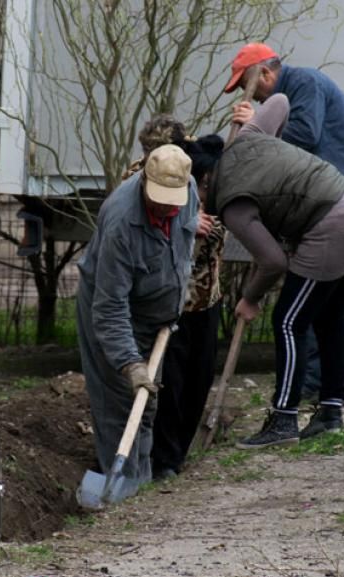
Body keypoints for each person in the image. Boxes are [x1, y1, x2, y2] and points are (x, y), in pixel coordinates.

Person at [224, 42, 344, 437]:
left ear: (265, 74)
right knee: (324, 308)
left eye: (251, 88)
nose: (258, 97)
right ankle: (318, 389)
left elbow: (305, 135)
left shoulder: (306, 83)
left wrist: (256, 123)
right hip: (326, 198)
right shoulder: (286, 92)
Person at [75, 144, 198, 493]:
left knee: (147, 405)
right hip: (114, 315)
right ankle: (124, 492)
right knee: (122, 405)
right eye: (160, 198)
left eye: (173, 198)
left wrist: (176, 292)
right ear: (145, 179)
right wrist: (130, 363)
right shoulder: (121, 222)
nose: (167, 206)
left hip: (155, 319)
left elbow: (183, 243)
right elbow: (110, 306)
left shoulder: (186, 193)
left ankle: (139, 487)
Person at [121, 115, 227, 480]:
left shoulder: (201, 168)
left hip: (205, 294)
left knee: (200, 376)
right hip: (169, 301)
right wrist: (186, 222)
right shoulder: (138, 179)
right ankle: (164, 461)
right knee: (171, 382)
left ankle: (180, 453)